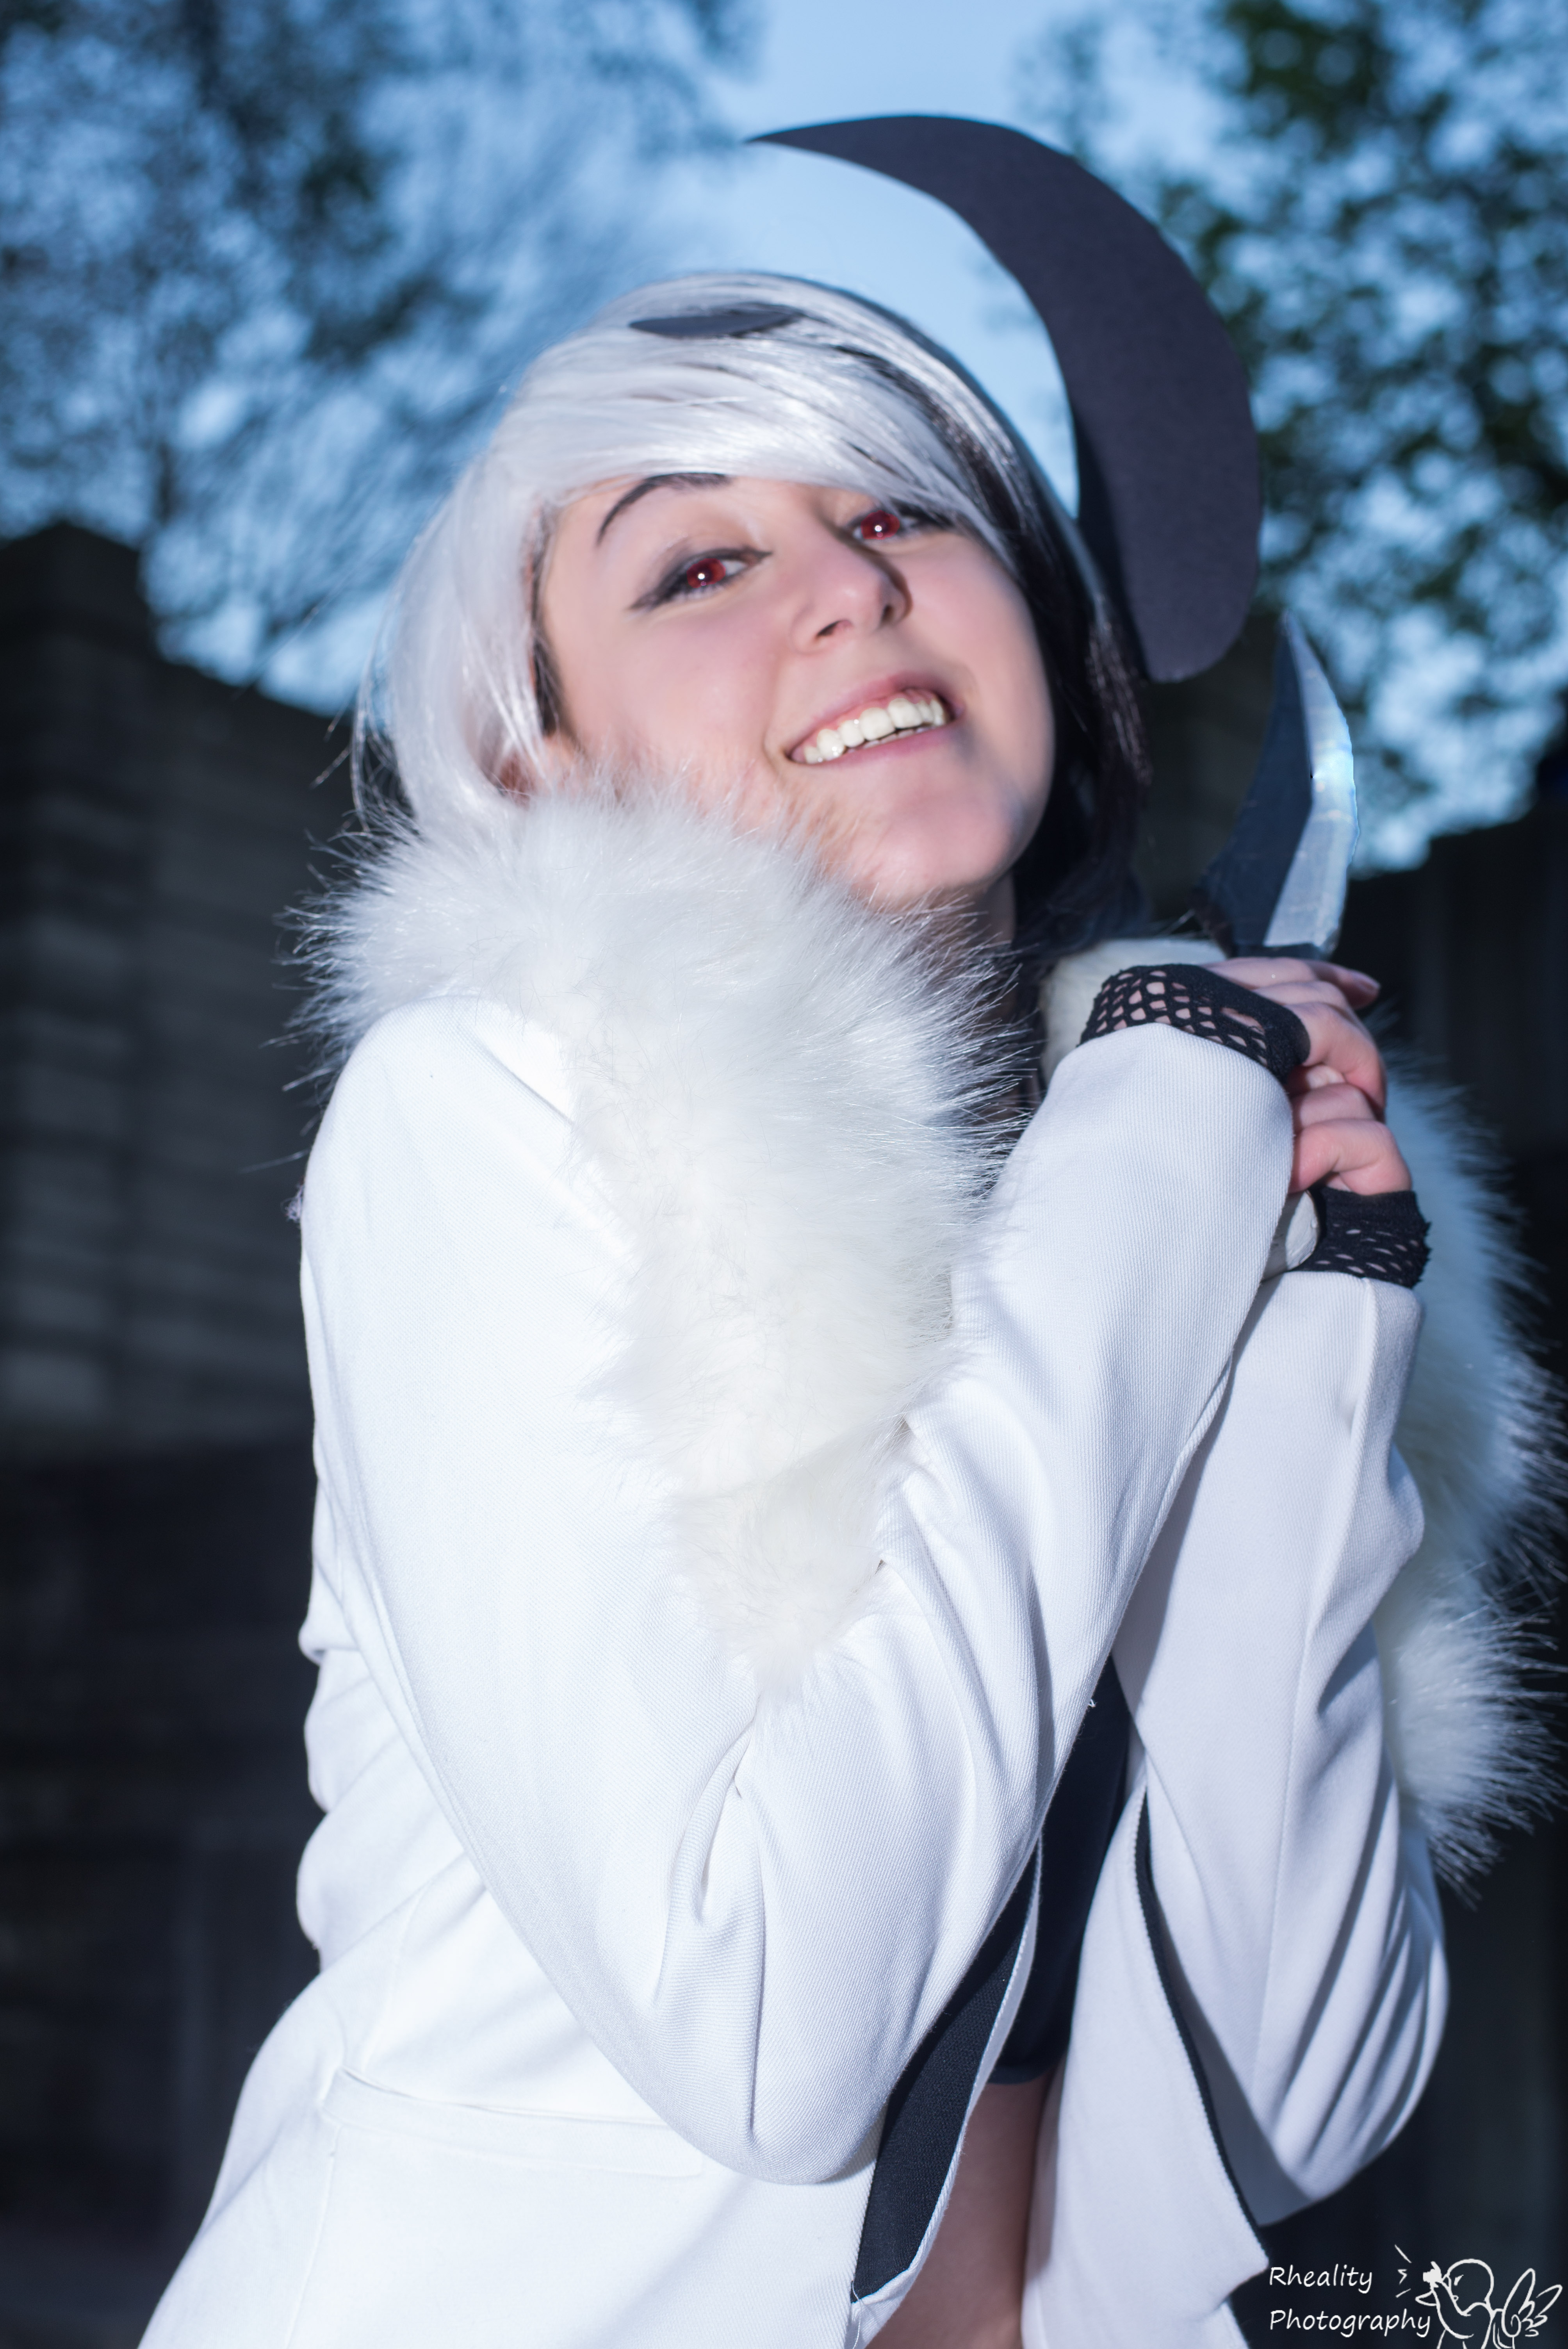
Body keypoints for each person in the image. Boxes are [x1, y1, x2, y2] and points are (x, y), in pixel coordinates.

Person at [140, 238, 1551, 2349]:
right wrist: (1156, 1153)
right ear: (541, 762)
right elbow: (770, 2033)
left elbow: (1297, 2099)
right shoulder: (490, 1107)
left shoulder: (1141, 1193)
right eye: (698, 567)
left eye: (902, 514)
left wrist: (1303, 1356)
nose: (851, 590)